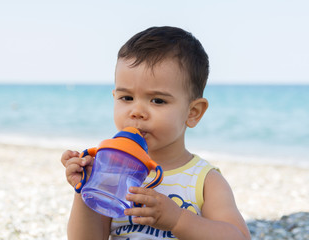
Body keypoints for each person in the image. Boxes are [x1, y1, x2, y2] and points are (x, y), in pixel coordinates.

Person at [61, 26, 251, 240]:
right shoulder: (112, 171)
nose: (137, 112)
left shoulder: (204, 180)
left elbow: (239, 237)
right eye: (127, 98)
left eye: (157, 100)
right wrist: (87, 191)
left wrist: (178, 219)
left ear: (193, 113)